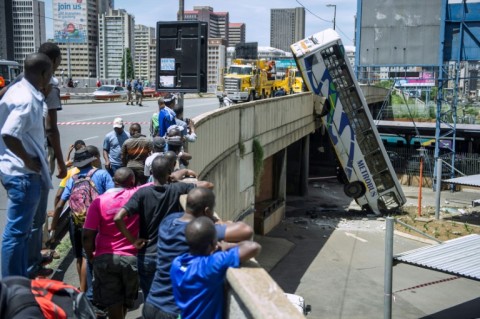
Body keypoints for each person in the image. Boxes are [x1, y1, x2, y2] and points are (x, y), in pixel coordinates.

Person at [143, 187, 253, 319]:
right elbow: (246, 231)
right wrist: (219, 225)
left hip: (151, 303)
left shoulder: (168, 222)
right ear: (207, 211)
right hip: (173, 311)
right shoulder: (197, 231)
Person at [114, 156, 214, 299]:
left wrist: (133, 240)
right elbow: (208, 185)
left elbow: (118, 217)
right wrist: (176, 180)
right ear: (169, 171)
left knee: (151, 299)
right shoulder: (178, 188)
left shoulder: (142, 193)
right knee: (171, 298)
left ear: (152, 172)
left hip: (146, 254)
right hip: (169, 253)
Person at [0, 53, 53, 278]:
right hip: (23, 174)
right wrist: (27, 160)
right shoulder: (26, 99)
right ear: (44, 74)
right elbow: (9, 134)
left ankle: (19, 279)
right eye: (50, 73)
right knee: (16, 234)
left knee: (20, 235)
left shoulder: (18, 90)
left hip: (14, 170)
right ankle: (12, 287)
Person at [50, 147, 114, 294]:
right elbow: (111, 197)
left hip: (77, 222)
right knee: (102, 254)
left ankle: (87, 293)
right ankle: (102, 290)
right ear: (92, 160)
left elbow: (60, 204)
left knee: (83, 256)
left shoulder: (73, 178)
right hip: (99, 222)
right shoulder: (103, 174)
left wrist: (54, 226)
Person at [170, 217, 261, 319]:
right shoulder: (210, 265)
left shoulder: (176, 263)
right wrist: (227, 246)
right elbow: (253, 247)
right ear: (213, 244)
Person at [83, 168, 139, 319]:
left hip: (105, 257)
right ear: (132, 182)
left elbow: (87, 235)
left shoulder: (99, 201)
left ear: (114, 180)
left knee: (113, 302)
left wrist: (90, 256)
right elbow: (157, 181)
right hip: (131, 257)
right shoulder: (136, 194)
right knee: (126, 301)